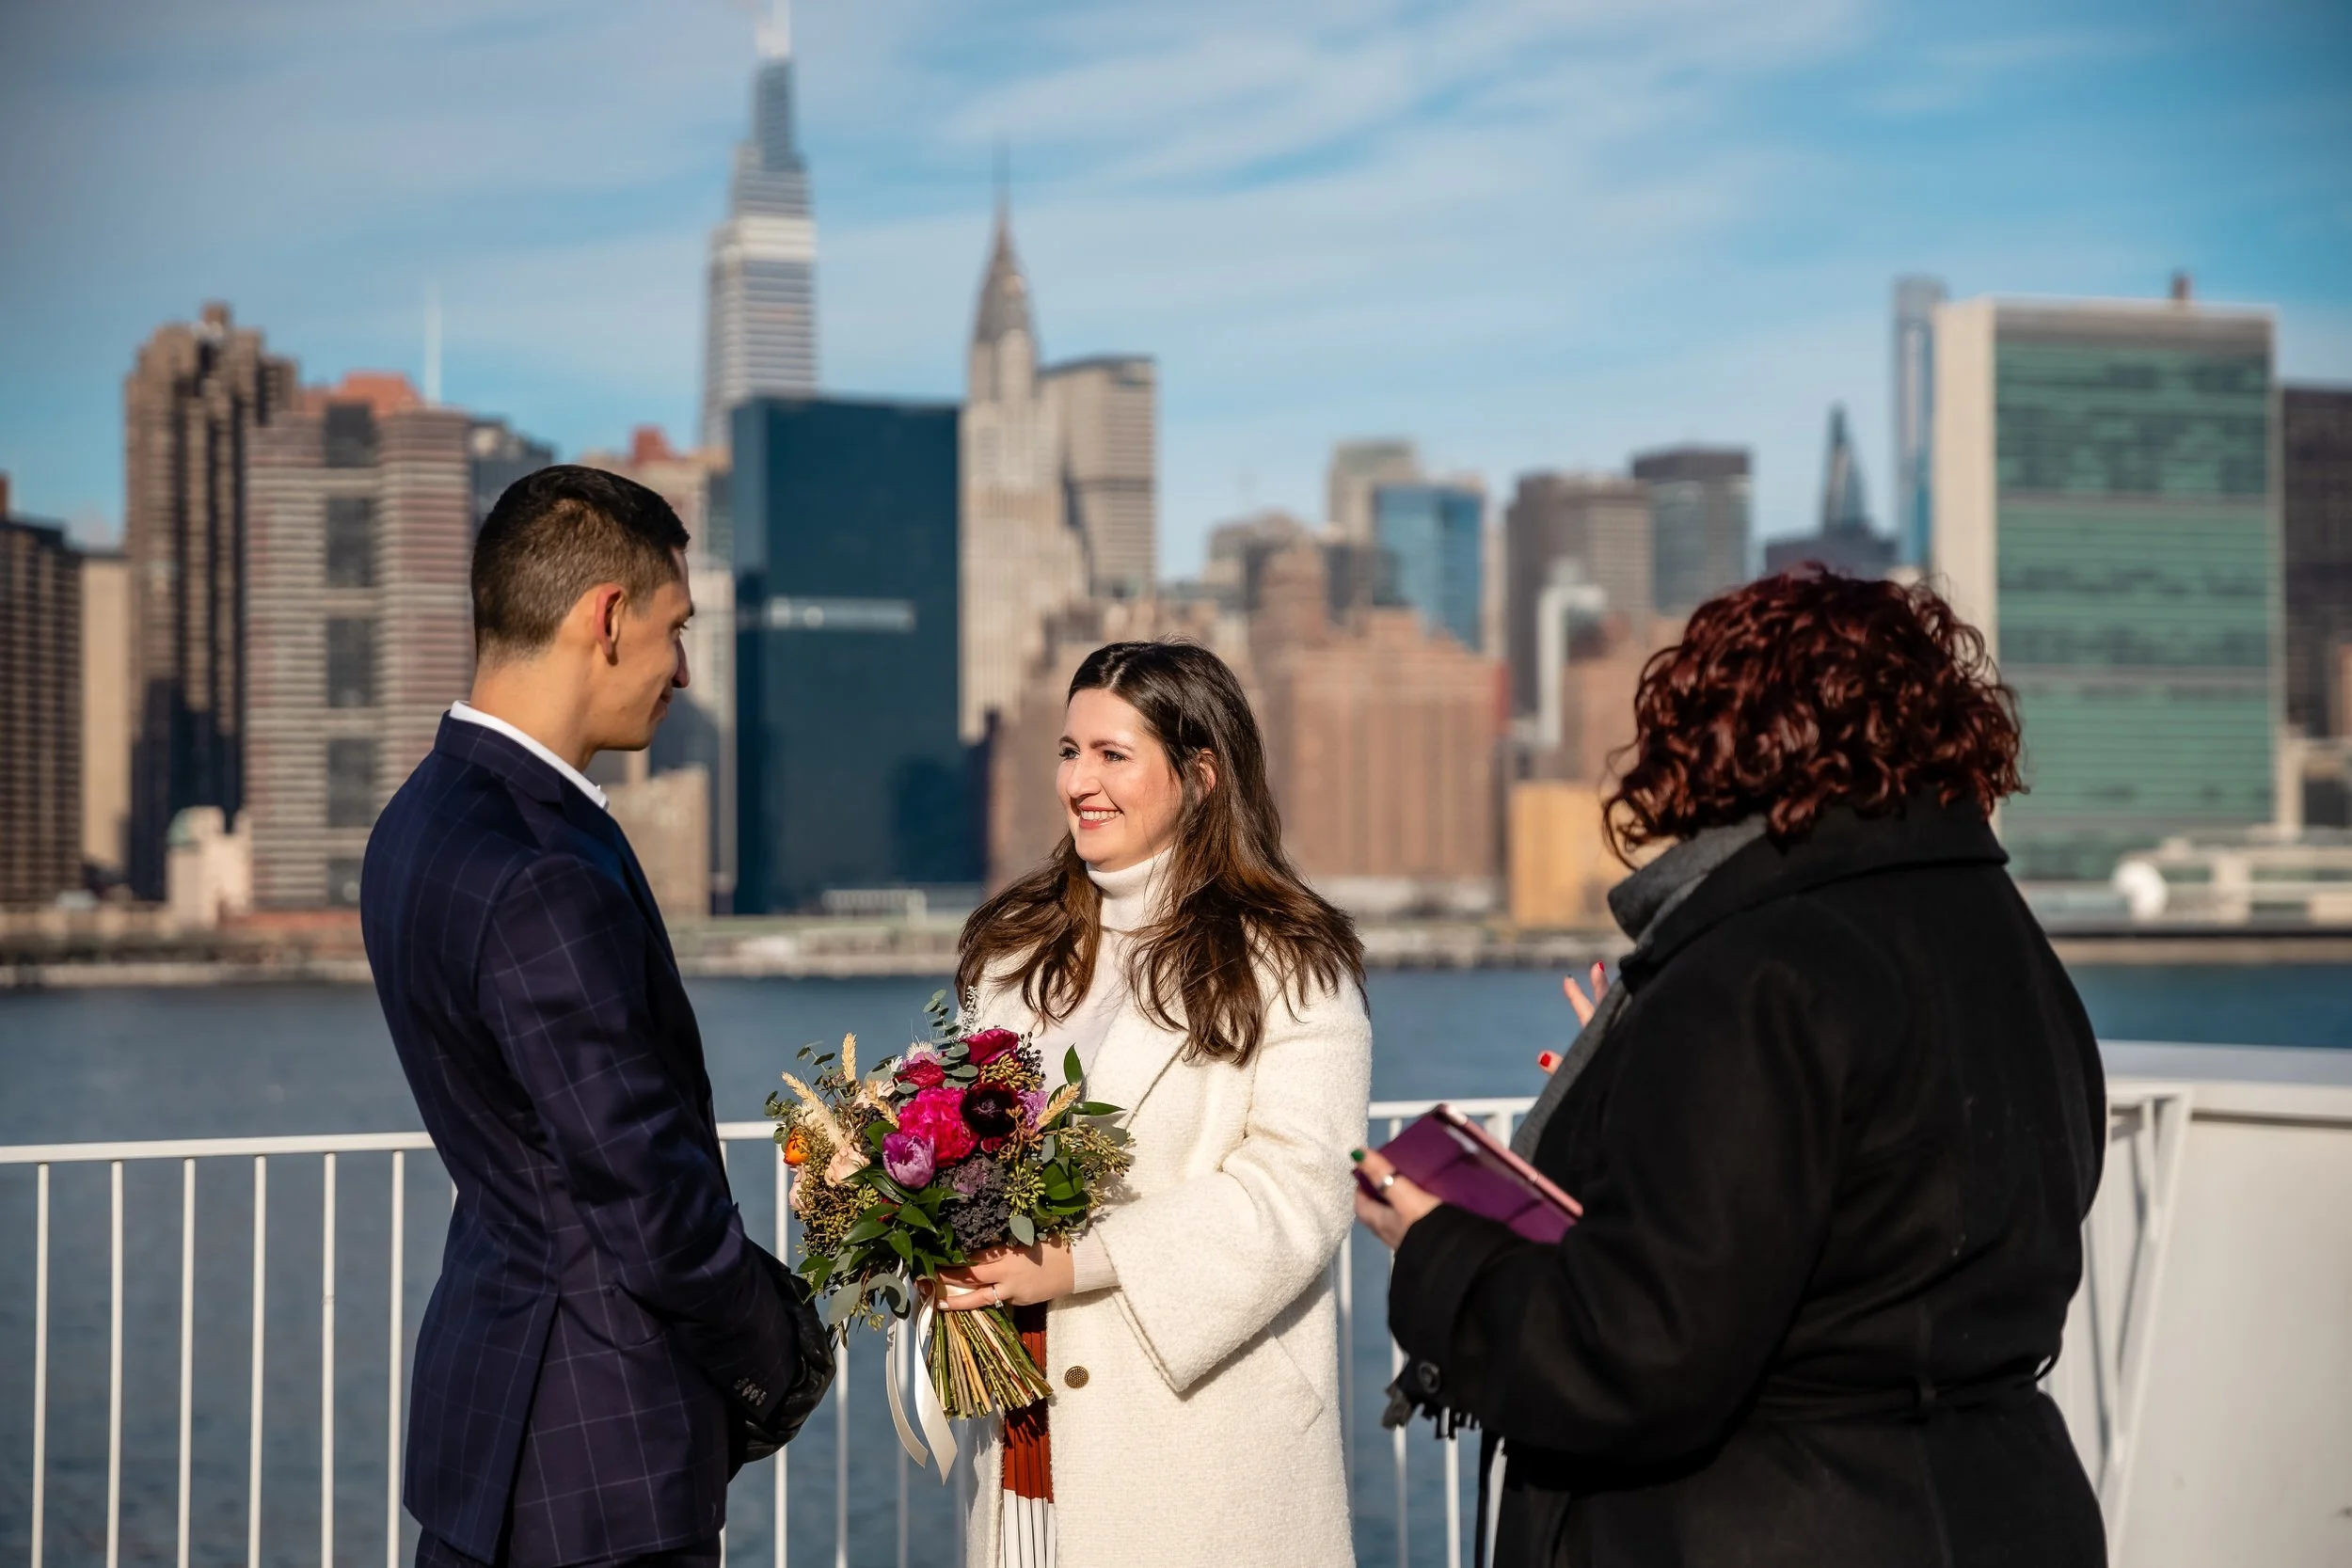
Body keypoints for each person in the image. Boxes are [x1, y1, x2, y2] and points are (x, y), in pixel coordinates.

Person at [1356, 570, 2107, 1568]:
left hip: (1767, 1522)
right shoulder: (2007, 945)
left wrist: (1438, 1246)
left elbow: (1635, 1354)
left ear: (1725, 733)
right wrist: (1648, 1060)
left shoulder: (1755, 971)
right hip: (2003, 1505)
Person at [362, 467, 830, 1568]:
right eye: (676, 628)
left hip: (490, 1420)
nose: (682, 668)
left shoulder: (420, 820)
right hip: (595, 1456)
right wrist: (781, 1349)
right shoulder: (540, 868)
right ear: (607, 617)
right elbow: (648, 1192)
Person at [940, 640, 1372, 1568]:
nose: (1079, 781)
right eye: (1067, 750)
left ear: (1201, 773)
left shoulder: (1291, 959)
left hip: (1201, 1461)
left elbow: (1301, 1190)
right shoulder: (1012, 953)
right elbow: (964, 1154)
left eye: (1112, 753)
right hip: (1024, 1456)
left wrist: (1073, 1260)